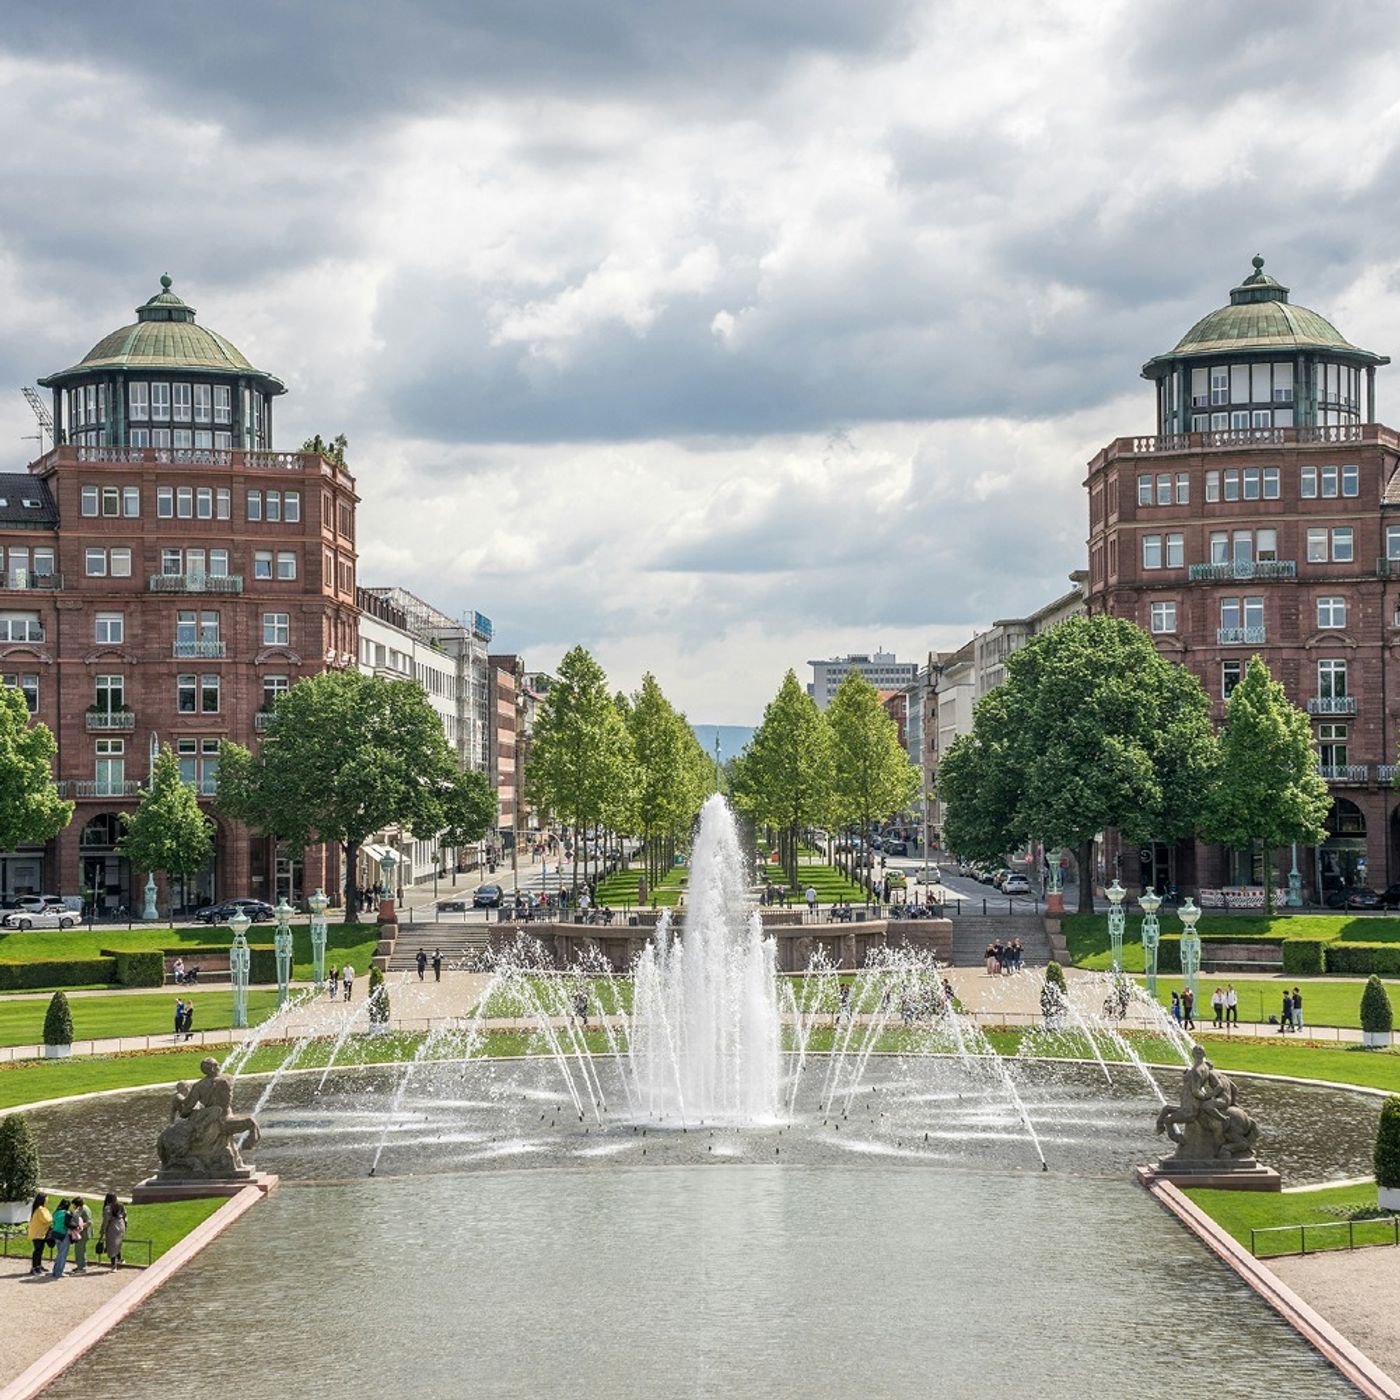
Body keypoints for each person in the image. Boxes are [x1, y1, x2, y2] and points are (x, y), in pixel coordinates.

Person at [27, 1193, 51, 1275]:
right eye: (46, 1198)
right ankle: (34, 1268)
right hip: (37, 1233)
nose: (47, 1200)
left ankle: (39, 1266)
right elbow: (47, 1220)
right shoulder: (40, 1209)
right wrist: (50, 1219)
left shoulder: (42, 1209)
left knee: (40, 1250)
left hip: (41, 1233)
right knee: (37, 1250)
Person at [101, 1194, 126, 1270]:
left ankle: (114, 1265)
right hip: (121, 1225)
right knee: (117, 1244)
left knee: (112, 1245)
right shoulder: (121, 1206)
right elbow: (125, 1216)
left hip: (113, 1227)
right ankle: (120, 1259)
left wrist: (102, 1230)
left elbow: (106, 1221)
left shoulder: (107, 1208)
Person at [50, 1198, 71, 1278]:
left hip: (56, 1234)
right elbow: (69, 1224)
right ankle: (59, 1272)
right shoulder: (67, 1213)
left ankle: (55, 1270)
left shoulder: (56, 1213)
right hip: (63, 1234)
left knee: (59, 1253)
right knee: (63, 1254)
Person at [70, 1197, 92, 1273]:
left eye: (74, 1205)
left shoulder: (84, 1210)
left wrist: (79, 1227)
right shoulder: (82, 1208)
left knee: (80, 1250)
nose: (73, 1206)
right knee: (80, 1250)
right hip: (81, 1233)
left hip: (83, 1234)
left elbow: (89, 1222)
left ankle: (81, 1268)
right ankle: (81, 1265)